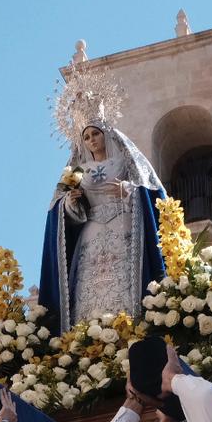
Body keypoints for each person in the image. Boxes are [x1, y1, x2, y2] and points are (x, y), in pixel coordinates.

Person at [39, 75, 165, 334]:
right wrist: (70, 204)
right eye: (86, 137)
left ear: (106, 134)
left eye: (96, 133)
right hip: (92, 233)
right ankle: (90, 335)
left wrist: (127, 190)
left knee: (123, 283)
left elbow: (150, 190)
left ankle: (128, 328)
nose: (92, 140)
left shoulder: (125, 161)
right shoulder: (77, 171)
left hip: (122, 228)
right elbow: (62, 215)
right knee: (89, 286)